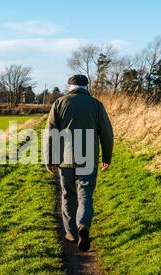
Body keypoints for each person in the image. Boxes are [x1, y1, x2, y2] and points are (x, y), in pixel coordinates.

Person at [45, 75, 114, 252]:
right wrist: (107, 156)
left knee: (68, 195)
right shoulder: (96, 105)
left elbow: (51, 133)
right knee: (85, 196)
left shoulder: (59, 103)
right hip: (88, 159)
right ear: (86, 86)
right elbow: (106, 132)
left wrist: (50, 158)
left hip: (65, 159)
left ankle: (72, 233)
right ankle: (83, 224)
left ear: (70, 86)